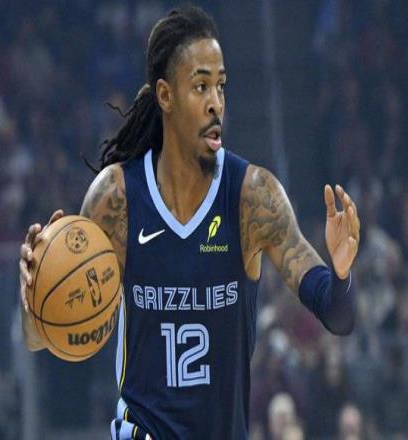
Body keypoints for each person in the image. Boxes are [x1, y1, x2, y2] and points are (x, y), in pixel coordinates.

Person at [18, 6, 360, 439]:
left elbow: (339, 316)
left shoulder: (252, 197)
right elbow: (46, 335)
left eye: (221, 86)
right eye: (200, 86)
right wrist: (35, 299)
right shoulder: (117, 198)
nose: (216, 102)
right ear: (165, 95)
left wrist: (342, 273)